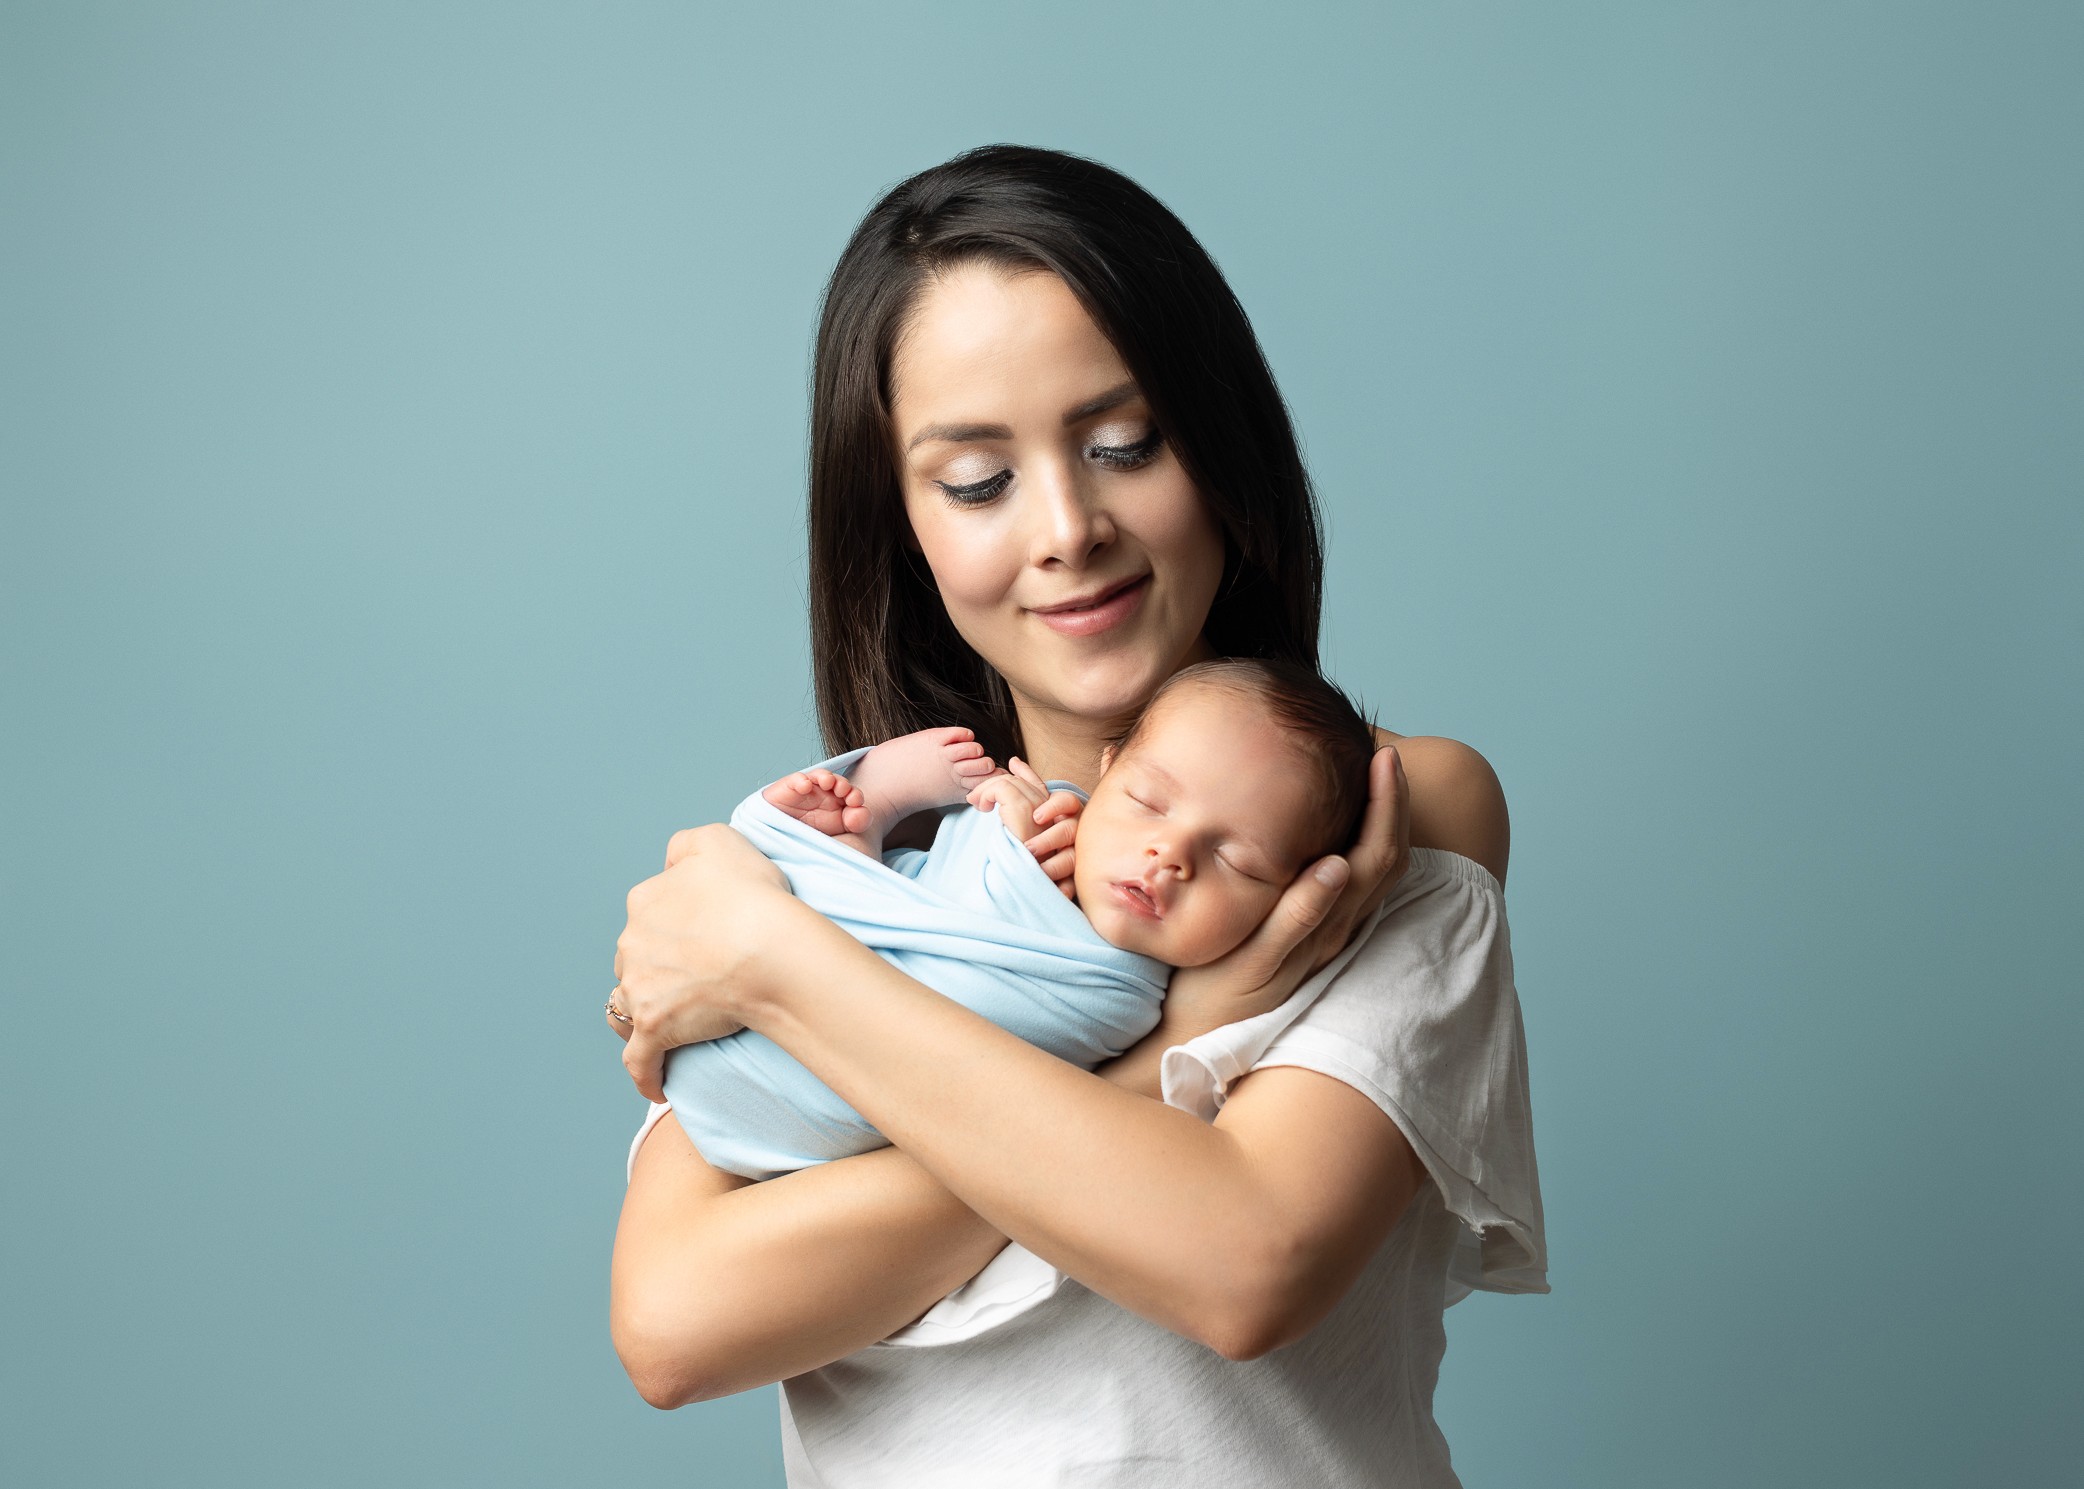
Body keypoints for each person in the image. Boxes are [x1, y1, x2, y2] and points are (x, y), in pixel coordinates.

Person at [606, 144, 1545, 1487]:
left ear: (1218, 447)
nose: (1066, 527)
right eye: (978, 481)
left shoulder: (1384, 822)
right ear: (907, 528)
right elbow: (676, 1324)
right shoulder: (858, 865)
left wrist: (775, 970)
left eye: (1122, 445)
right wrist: (1188, 1039)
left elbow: (1246, 1258)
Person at [663, 658, 1377, 1182]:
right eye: (1147, 802)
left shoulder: (1126, 1001)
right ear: (1108, 771)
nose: (1170, 854)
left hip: (786, 1105)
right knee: (837, 885)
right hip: (822, 977)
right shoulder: (1048, 818)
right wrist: (1018, 838)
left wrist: (1021, 874)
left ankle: (859, 832)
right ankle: (861, 829)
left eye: (1241, 863)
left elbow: (980, 1047)